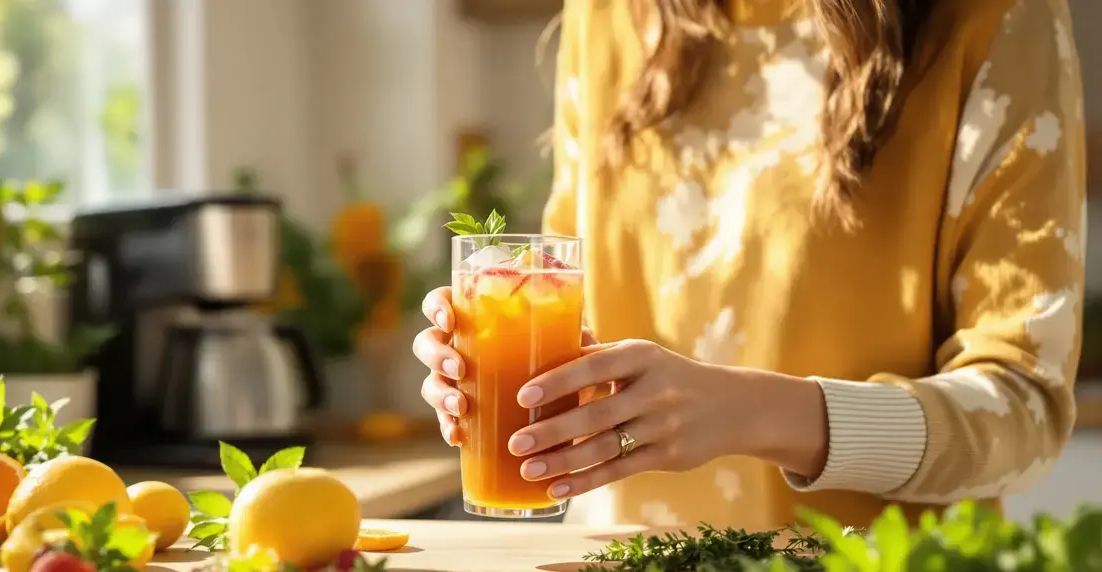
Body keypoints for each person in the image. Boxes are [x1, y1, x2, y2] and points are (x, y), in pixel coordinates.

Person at [412, 0, 1087, 530]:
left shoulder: (992, 16)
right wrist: (491, 373)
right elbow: (573, 322)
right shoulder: (611, 14)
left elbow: (1024, 410)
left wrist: (757, 412)